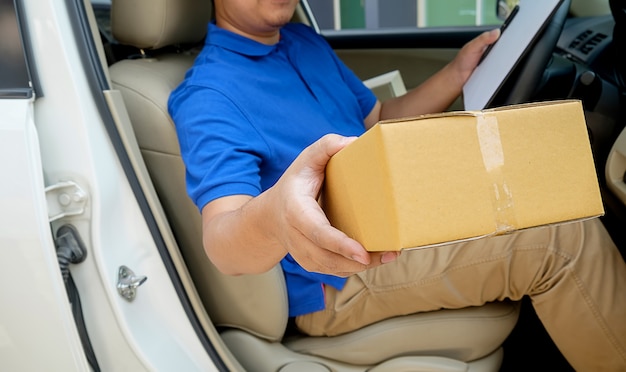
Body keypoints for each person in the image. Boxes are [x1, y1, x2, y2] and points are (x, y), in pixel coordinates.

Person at [168, 0, 626, 370]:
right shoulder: (208, 96)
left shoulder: (300, 40)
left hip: (388, 214)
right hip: (336, 278)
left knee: (543, 187)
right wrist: (277, 218)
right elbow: (222, 239)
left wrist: (459, 73)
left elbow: (378, 122)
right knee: (559, 237)